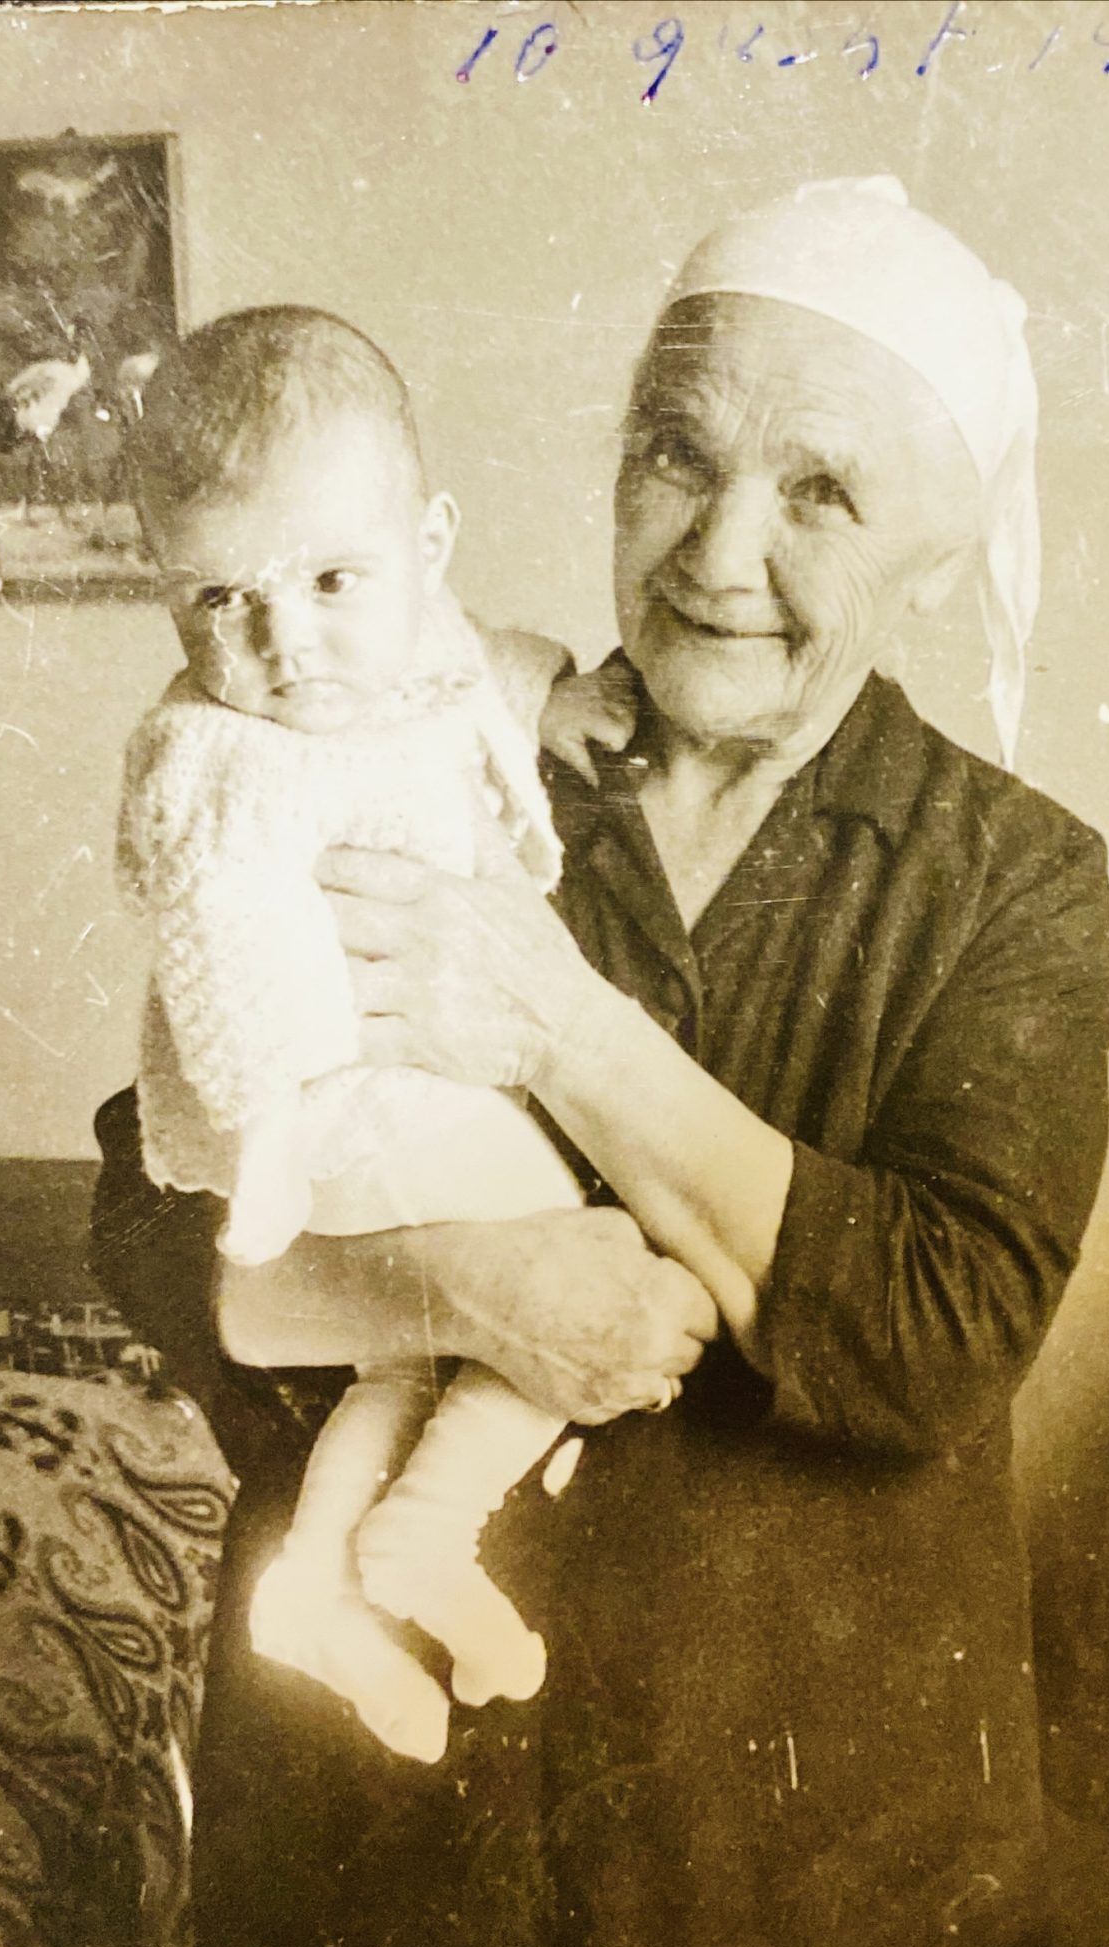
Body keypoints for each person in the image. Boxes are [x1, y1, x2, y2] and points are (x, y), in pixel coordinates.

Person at [91, 175, 1109, 1947]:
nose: (721, 550)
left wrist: (561, 1026)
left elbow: (942, 1335)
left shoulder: (1007, 878)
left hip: (801, 1878)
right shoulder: (417, 744)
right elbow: (156, 1221)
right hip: (386, 1851)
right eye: (676, 454)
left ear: (938, 555)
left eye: (821, 491)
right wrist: (456, 1287)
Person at [115, 306, 665, 1765]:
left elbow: (478, 658)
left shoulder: (413, 643)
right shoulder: (228, 757)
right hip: (316, 1094)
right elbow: (227, 957)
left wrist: (556, 696)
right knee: (575, 1259)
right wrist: (274, 1136)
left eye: (328, 581)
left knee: (401, 1364)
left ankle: (317, 1585)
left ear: (429, 547)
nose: (283, 643)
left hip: (397, 1084)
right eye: (218, 599)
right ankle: (426, 1531)